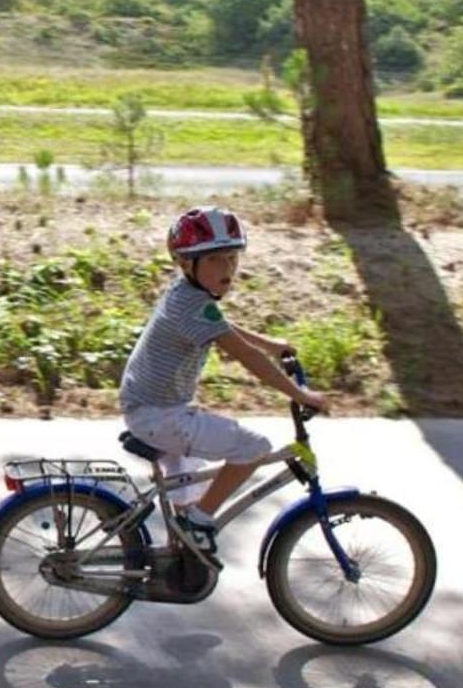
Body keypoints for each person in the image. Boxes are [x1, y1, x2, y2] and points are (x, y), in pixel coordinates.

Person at [118, 205, 329, 543]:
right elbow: (244, 355)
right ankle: (199, 521)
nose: (228, 269)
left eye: (232, 258)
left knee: (189, 492)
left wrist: (271, 344)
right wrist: (300, 395)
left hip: (153, 409)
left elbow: (223, 327)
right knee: (253, 448)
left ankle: (183, 552)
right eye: (216, 260)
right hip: (160, 416)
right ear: (186, 263)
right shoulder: (191, 304)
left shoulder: (186, 294)